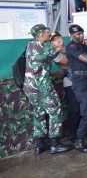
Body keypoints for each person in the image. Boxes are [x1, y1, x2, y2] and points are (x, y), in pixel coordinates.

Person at [24, 24, 72, 155]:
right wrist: (71, 55)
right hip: (42, 86)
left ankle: (39, 145)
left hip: (29, 86)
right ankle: (55, 144)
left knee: (38, 112)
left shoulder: (30, 44)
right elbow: (63, 60)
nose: (48, 34)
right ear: (41, 35)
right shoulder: (46, 47)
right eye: (46, 32)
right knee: (55, 110)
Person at [66, 24, 87, 153]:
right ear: (71, 35)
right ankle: (79, 139)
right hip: (80, 82)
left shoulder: (82, 45)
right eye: (77, 34)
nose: (81, 35)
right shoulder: (71, 47)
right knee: (86, 112)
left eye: (82, 33)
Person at [50, 32, 80, 144]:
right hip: (69, 82)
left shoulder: (68, 47)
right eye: (54, 40)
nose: (57, 40)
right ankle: (71, 134)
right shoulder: (54, 52)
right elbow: (67, 61)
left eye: (58, 38)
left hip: (80, 80)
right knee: (74, 109)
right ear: (51, 43)